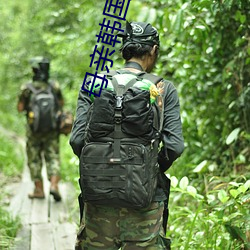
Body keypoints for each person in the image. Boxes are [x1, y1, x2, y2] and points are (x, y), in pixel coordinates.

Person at [70, 21, 184, 249]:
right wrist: (148, 167)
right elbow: (174, 147)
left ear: (124, 50)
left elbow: (77, 140)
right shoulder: (163, 88)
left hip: (98, 200)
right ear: (153, 50)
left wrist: (101, 165)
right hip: (145, 205)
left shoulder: (95, 83)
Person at [17, 57, 64, 202]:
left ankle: (39, 190)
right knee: (53, 157)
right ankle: (54, 186)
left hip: (33, 131)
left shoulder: (27, 88)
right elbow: (61, 104)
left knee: (34, 159)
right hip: (52, 129)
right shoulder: (54, 86)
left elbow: (19, 108)